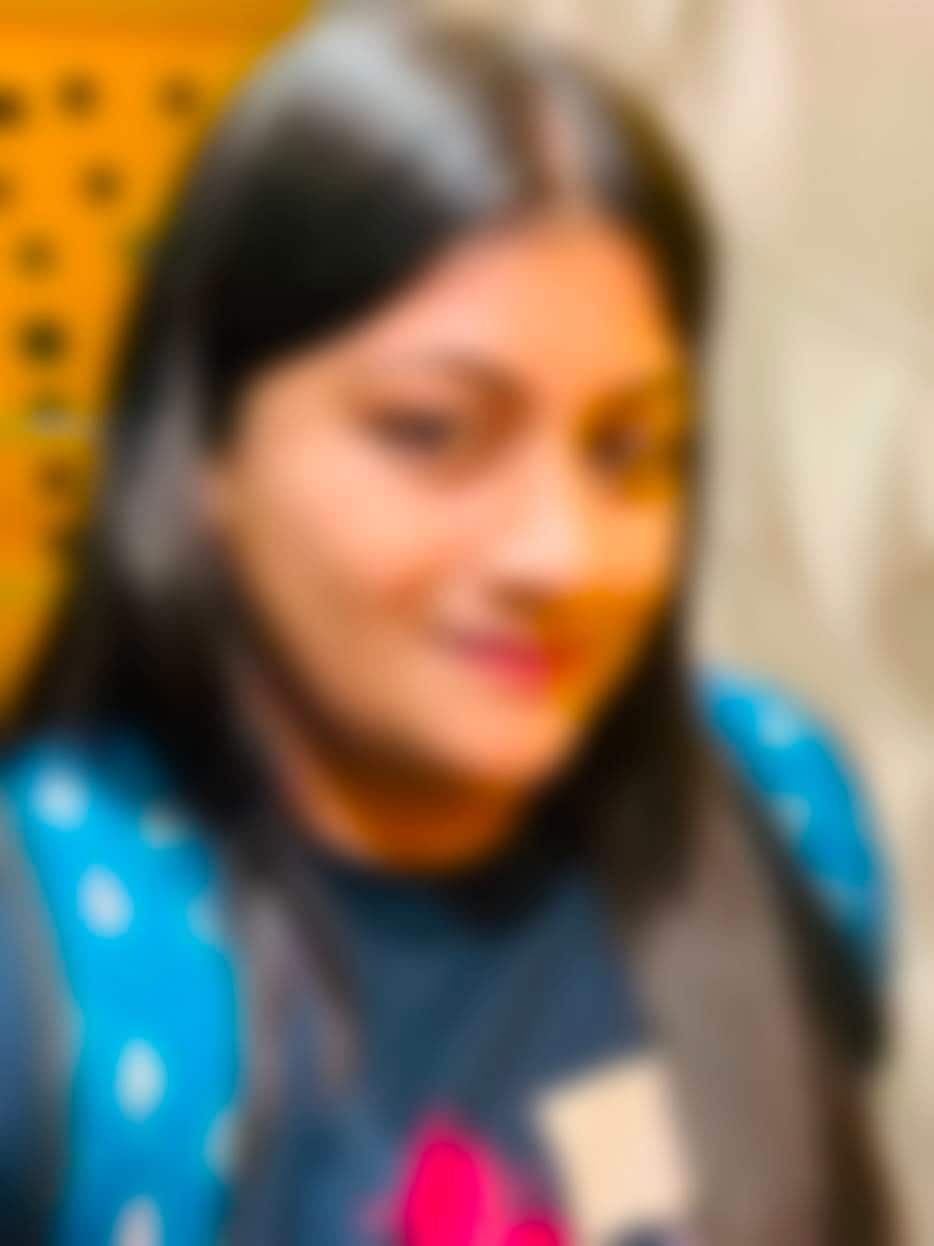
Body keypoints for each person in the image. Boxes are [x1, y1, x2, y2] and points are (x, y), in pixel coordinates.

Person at [0, 7, 894, 1244]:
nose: (559, 554)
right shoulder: (52, 964)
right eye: (432, 432)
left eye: (627, 451)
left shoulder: (776, 816)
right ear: (206, 449)